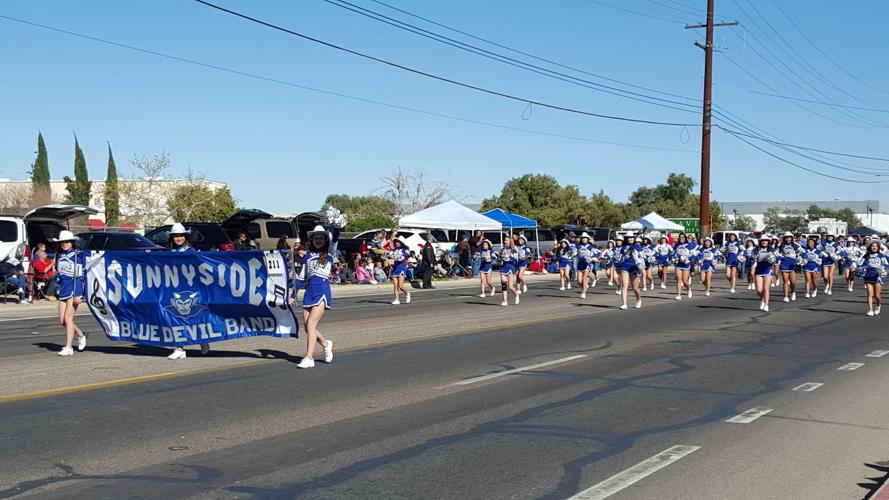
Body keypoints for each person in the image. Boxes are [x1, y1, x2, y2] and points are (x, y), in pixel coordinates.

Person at [293, 224, 338, 368]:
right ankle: (326, 344)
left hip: (322, 291)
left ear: (325, 239)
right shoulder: (307, 256)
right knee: (307, 328)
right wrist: (292, 295)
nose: (318, 240)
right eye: (315, 238)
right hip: (309, 292)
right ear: (311, 240)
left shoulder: (329, 253)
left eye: (321, 238)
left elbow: (335, 238)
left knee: (311, 325)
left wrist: (335, 226)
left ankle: (309, 358)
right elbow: (301, 278)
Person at [166, 223, 210, 360]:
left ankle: (203, 341)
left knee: (193, 317)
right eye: (175, 236)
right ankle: (180, 348)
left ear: (186, 237)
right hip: (176, 290)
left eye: (180, 236)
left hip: (191, 290)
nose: (178, 238)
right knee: (177, 318)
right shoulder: (171, 253)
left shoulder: (191, 252)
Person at [53, 231, 87, 356]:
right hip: (63, 290)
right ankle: (81, 334)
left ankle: (68, 347)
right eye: (62, 242)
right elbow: (59, 274)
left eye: (67, 241)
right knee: (62, 321)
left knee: (68, 319)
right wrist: (57, 286)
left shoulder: (78, 255)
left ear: (72, 242)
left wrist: (80, 294)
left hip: (74, 289)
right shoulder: (59, 255)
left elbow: (81, 276)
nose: (64, 244)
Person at [858, 240, 889, 316]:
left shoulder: (881, 255)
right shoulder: (866, 256)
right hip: (868, 276)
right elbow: (861, 264)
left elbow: (886, 265)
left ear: (878, 247)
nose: (874, 247)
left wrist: (883, 269)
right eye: (872, 246)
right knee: (870, 294)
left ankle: (878, 305)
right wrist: (860, 269)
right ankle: (870, 310)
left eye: (876, 246)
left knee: (877, 295)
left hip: (877, 277)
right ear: (870, 247)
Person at [614, 233, 645, 309]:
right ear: (626, 239)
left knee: (635, 288)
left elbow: (643, 258)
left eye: (632, 237)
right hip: (625, 267)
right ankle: (624, 304)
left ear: (634, 238)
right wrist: (617, 266)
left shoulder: (638, 247)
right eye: (629, 237)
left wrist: (640, 263)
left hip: (635, 267)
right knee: (624, 285)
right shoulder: (623, 247)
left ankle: (638, 299)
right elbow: (621, 258)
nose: (630, 239)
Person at [753, 234, 777, 312]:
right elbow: (749, 256)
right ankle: (762, 299)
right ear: (760, 241)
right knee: (759, 290)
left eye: (765, 240)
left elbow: (779, 257)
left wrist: (773, 259)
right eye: (762, 240)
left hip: (768, 270)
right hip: (759, 271)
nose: (764, 242)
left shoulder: (772, 249)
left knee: (766, 289)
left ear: (768, 241)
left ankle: (766, 305)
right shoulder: (756, 249)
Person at [777, 232, 801, 303]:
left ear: (792, 238)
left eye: (789, 237)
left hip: (792, 264)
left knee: (792, 282)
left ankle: (793, 291)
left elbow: (802, 253)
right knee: (785, 280)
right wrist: (778, 258)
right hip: (784, 264)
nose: (788, 239)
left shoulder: (796, 245)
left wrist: (799, 259)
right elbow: (779, 254)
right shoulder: (782, 245)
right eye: (786, 237)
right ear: (784, 238)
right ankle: (786, 296)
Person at [498, 236, 520, 306]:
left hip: (511, 267)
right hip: (503, 267)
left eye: (506, 240)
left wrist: (509, 257)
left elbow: (516, 260)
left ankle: (516, 295)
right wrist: (500, 258)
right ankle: (505, 300)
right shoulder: (502, 249)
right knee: (504, 285)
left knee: (510, 287)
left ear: (510, 241)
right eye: (505, 240)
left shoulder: (514, 249)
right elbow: (499, 258)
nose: (505, 241)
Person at [673, 233, 696, 300]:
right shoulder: (677, 245)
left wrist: (687, 258)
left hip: (686, 264)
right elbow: (674, 254)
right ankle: (679, 295)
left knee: (685, 281)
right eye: (680, 237)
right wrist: (677, 258)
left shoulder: (689, 245)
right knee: (678, 279)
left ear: (685, 238)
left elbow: (693, 255)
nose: (681, 238)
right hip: (678, 264)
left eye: (683, 237)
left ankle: (689, 289)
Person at [388, 238, 412, 305]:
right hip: (395, 268)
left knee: (400, 286)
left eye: (398, 242)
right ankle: (397, 299)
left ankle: (407, 293)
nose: (396, 243)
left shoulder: (405, 250)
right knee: (395, 285)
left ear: (401, 242)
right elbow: (389, 255)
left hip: (401, 267)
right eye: (396, 242)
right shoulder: (393, 250)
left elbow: (406, 257)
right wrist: (388, 255)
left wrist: (399, 257)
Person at [575, 232, 598, 299]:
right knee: (579, 281)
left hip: (588, 264)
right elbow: (573, 252)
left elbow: (596, 253)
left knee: (585, 278)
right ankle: (584, 289)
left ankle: (583, 292)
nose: (584, 239)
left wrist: (593, 258)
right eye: (583, 238)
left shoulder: (590, 246)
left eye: (585, 238)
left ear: (588, 239)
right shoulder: (578, 246)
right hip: (580, 264)